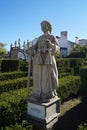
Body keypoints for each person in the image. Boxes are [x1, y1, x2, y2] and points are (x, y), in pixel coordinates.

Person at [29, 20, 60, 102]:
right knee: (38, 76)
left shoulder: (52, 37)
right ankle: (37, 93)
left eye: (44, 25)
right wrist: (30, 50)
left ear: (49, 27)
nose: (42, 27)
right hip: (39, 61)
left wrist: (51, 45)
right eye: (41, 26)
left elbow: (57, 48)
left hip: (48, 60)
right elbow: (34, 47)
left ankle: (47, 94)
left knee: (46, 77)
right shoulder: (40, 38)